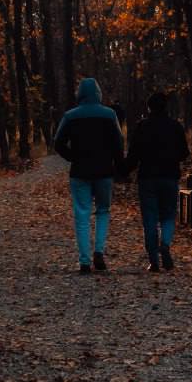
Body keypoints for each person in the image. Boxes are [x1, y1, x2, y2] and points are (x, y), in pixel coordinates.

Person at [54, 78, 124, 273]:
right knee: (103, 211)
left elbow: (58, 143)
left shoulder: (70, 116)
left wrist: (72, 157)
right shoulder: (109, 115)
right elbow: (118, 143)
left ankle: (84, 261)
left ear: (80, 94)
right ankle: (99, 251)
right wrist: (120, 168)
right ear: (98, 93)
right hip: (104, 172)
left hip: (79, 172)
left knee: (82, 214)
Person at [122, 91, 189, 271]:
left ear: (149, 107)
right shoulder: (175, 127)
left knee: (150, 218)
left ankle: (153, 259)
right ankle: (165, 244)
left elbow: (134, 155)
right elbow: (184, 153)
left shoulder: (142, 127)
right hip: (169, 176)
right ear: (166, 107)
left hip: (147, 178)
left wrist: (122, 172)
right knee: (168, 215)